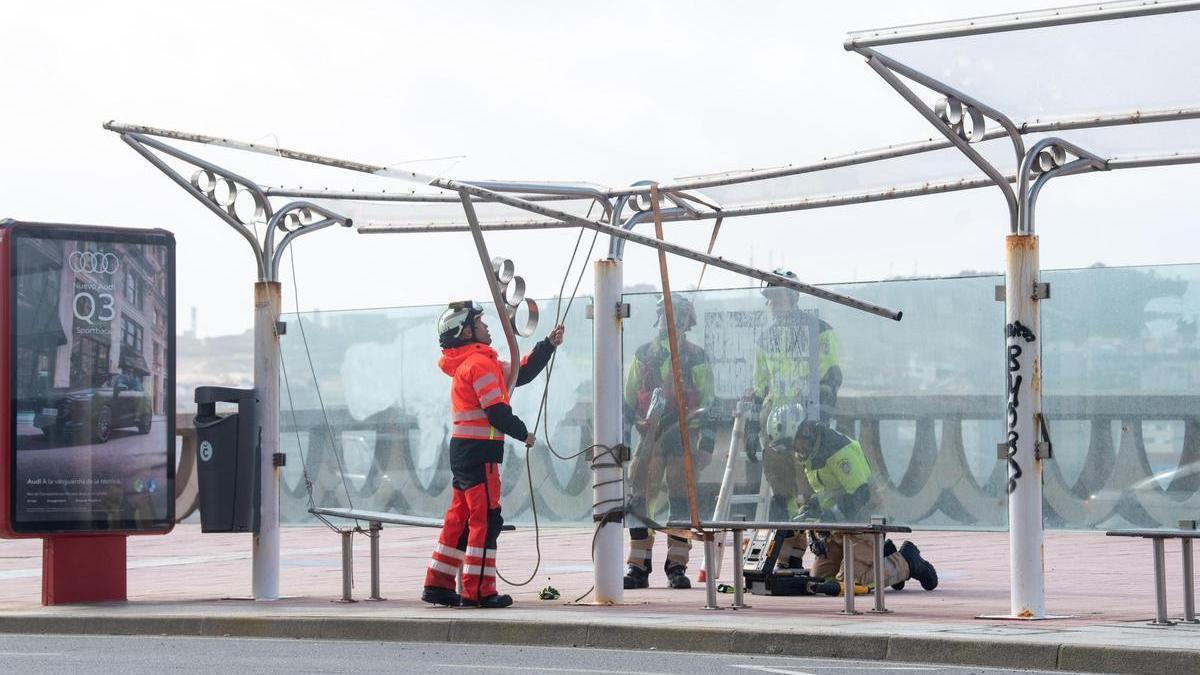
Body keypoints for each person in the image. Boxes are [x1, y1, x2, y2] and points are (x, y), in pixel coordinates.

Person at [421, 300, 565, 608]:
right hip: (480, 453)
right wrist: (523, 433)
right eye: (481, 323)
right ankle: (479, 590)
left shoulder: (472, 362)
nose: (487, 327)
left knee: (459, 518)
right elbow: (497, 412)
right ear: (466, 332)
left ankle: (439, 582)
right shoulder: (480, 364)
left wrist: (547, 346)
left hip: (463, 451)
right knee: (486, 518)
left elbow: (519, 374)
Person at [748, 267, 843, 571]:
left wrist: (818, 421)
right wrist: (753, 427)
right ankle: (788, 554)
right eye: (769, 298)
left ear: (792, 297)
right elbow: (760, 386)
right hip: (775, 426)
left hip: (806, 425)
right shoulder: (767, 338)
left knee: (810, 490)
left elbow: (831, 378)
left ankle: (823, 555)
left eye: (776, 297)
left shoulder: (819, 330)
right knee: (782, 492)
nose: (772, 304)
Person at [623, 294, 716, 590]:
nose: (669, 322)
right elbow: (627, 400)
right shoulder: (643, 355)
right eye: (665, 316)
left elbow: (710, 403)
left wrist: (706, 447)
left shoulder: (696, 357)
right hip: (649, 439)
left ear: (687, 321)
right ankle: (638, 566)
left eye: (675, 316)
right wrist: (632, 428)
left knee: (680, 504)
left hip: (682, 440)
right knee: (639, 501)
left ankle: (677, 566)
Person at [790, 418, 938, 592]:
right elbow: (830, 492)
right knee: (820, 580)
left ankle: (907, 561)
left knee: (850, 584)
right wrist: (814, 509)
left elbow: (862, 494)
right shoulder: (811, 454)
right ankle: (882, 556)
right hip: (839, 528)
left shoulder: (838, 449)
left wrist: (831, 516)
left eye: (793, 444)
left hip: (864, 525)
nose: (793, 451)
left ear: (804, 435)